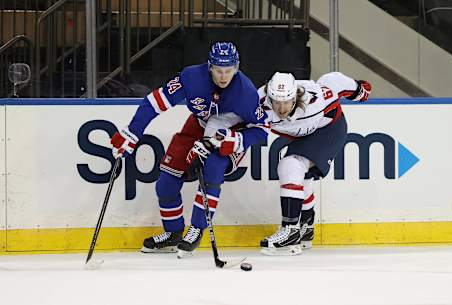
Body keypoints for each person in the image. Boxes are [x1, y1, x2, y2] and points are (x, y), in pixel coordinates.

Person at [110, 42, 267, 257]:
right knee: (166, 181)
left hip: (230, 132)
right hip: (199, 125)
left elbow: (261, 130)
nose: (223, 76)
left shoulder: (246, 93)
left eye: (228, 71)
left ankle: (197, 228)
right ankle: (173, 233)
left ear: (236, 67)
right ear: (210, 66)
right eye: (219, 71)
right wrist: (133, 132)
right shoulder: (191, 77)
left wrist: (234, 140)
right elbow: (155, 102)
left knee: (212, 169)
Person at [258, 71, 371, 255]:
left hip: (329, 129)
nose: (281, 108)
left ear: (295, 96)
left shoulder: (316, 99)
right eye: (276, 102)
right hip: (304, 136)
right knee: (301, 179)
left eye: (286, 101)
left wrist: (360, 90)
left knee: (290, 166)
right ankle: (306, 226)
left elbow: (334, 81)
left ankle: (290, 230)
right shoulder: (259, 101)